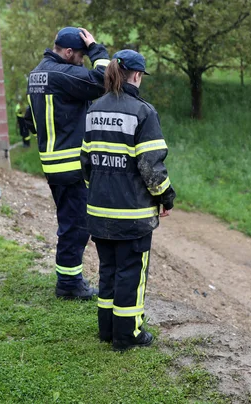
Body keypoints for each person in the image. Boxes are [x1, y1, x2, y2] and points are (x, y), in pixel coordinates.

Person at [81, 49, 176, 351]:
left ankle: (107, 330)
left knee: (108, 269)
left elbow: (86, 162)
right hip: (132, 215)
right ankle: (128, 335)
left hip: (98, 210)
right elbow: (151, 167)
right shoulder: (143, 112)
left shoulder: (94, 108)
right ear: (137, 75)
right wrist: (166, 197)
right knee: (131, 274)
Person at [26, 27, 110, 300]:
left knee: (71, 223)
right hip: (70, 164)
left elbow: (31, 119)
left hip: (53, 161)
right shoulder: (61, 73)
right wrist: (97, 49)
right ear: (69, 52)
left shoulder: (38, 73)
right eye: (82, 56)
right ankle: (69, 284)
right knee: (76, 226)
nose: (83, 61)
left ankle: (69, 279)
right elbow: (103, 81)